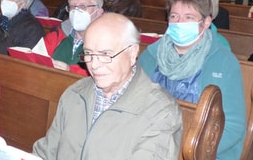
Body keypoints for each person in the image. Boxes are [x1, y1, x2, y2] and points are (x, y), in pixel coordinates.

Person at [33, 13, 182, 159]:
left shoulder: (160, 111)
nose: (94, 65)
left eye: (105, 54)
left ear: (132, 53)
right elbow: (46, 152)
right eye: (88, 53)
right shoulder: (75, 93)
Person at [138, 0, 246, 159]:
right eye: (174, 16)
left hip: (203, 150)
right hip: (150, 143)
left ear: (206, 22)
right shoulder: (150, 56)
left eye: (188, 17)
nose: (179, 22)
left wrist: (192, 149)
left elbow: (233, 126)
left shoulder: (224, 62)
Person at [44, 0, 104, 75]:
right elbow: (38, 60)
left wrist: (69, 70)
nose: (76, 11)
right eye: (72, 7)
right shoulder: (58, 34)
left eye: (83, 6)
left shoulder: (106, 41)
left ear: (99, 12)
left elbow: (102, 73)